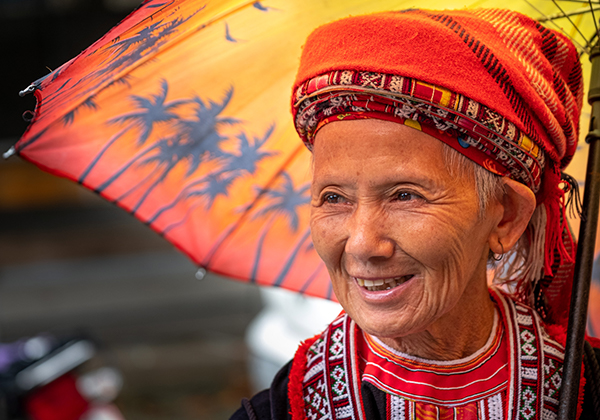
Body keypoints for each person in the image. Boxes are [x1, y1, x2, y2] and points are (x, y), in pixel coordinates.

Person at [232, 8, 598, 419]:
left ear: (506, 216)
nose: (363, 244)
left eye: (405, 196)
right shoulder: (281, 411)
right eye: (334, 198)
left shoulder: (583, 391)